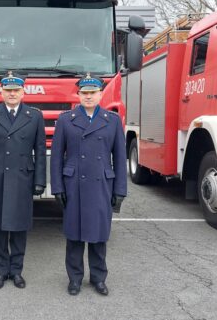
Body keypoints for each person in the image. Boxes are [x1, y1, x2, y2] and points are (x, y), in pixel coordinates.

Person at [50, 73, 127, 296]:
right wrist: (57, 187)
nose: (88, 97)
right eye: (84, 93)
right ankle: (74, 278)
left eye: (93, 93)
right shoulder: (66, 119)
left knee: (99, 235)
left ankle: (98, 277)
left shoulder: (111, 121)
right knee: (74, 235)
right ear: (78, 95)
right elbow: (56, 157)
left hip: (102, 183)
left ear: (100, 94)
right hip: (73, 183)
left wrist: (120, 190)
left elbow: (120, 159)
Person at [0, 71, 47, 290]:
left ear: (23, 92)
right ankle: (0, 272)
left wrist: (40, 180)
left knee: (19, 227)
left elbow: (40, 151)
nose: (12, 94)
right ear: (1, 92)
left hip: (22, 177)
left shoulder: (34, 116)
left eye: (16, 90)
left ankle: (16, 271)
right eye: (8, 90)